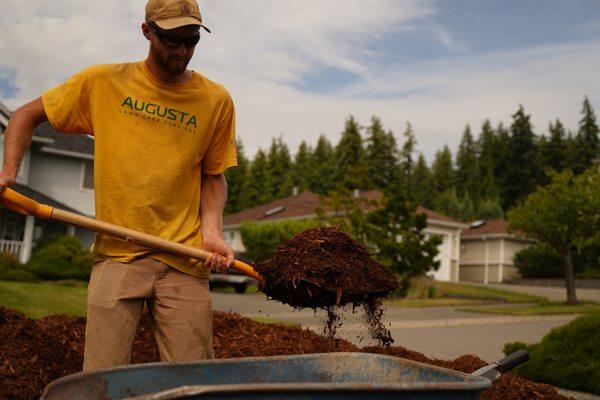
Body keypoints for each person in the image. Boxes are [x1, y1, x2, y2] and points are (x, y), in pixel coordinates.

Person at [0, 0, 237, 371]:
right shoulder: (103, 83)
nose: (182, 52)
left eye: (191, 41)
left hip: (184, 258)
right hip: (116, 254)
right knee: (101, 377)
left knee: (196, 378)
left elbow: (213, 175)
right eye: (172, 40)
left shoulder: (216, 100)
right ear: (147, 32)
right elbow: (26, 116)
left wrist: (212, 232)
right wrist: (8, 174)